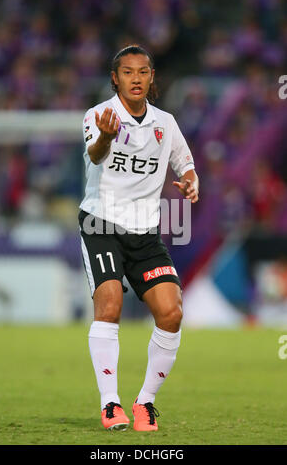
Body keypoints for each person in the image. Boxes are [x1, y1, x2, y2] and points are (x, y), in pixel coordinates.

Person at [78, 45, 199, 431]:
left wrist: (191, 182)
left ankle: (145, 402)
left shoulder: (165, 122)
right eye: (127, 72)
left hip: (145, 232)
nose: (135, 78)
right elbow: (95, 155)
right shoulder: (99, 115)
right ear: (115, 77)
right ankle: (110, 403)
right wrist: (106, 138)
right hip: (102, 224)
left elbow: (186, 163)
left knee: (172, 312)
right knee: (109, 304)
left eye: (143, 72)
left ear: (151, 77)